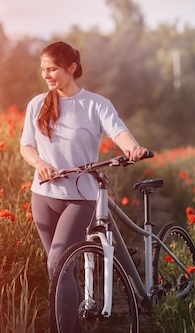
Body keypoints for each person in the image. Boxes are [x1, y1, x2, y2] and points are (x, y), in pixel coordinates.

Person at [20, 41, 149, 279]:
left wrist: (133, 148)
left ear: (71, 68)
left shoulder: (95, 104)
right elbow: (26, 145)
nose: (46, 75)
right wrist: (39, 164)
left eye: (52, 69)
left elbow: (117, 130)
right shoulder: (37, 104)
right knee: (59, 271)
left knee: (58, 264)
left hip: (80, 197)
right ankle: (74, 316)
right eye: (43, 69)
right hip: (43, 195)